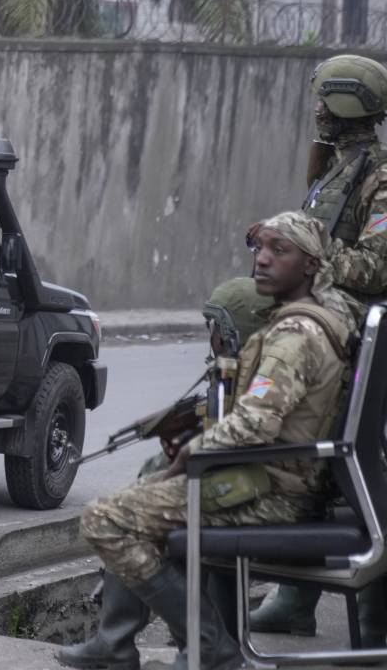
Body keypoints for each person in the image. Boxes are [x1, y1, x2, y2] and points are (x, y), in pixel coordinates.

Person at [79, 211, 353, 670]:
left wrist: (193, 451)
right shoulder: (307, 322)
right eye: (259, 249)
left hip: (272, 493)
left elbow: (255, 425)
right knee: (134, 501)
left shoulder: (296, 335)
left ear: (310, 266)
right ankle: (124, 647)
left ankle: (210, 648)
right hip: (275, 483)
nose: (262, 260)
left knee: (104, 520)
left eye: (278, 251)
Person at [57, 277, 272, 670]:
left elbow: (259, 433)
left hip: (268, 488)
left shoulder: (275, 364)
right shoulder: (246, 364)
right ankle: (116, 642)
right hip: (250, 476)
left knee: (120, 517)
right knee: (146, 481)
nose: (214, 342)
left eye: (219, 331)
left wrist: (192, 452)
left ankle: (201, 644)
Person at [251, 54, 387, 639]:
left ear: (344, 102)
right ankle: (293, 598)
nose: (317, 111)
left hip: (351, 334)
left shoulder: (380, 176)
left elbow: (378, 269)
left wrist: (303, 253)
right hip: (323, 319)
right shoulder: (336, 166)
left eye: (323, 101)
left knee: (337, 466)